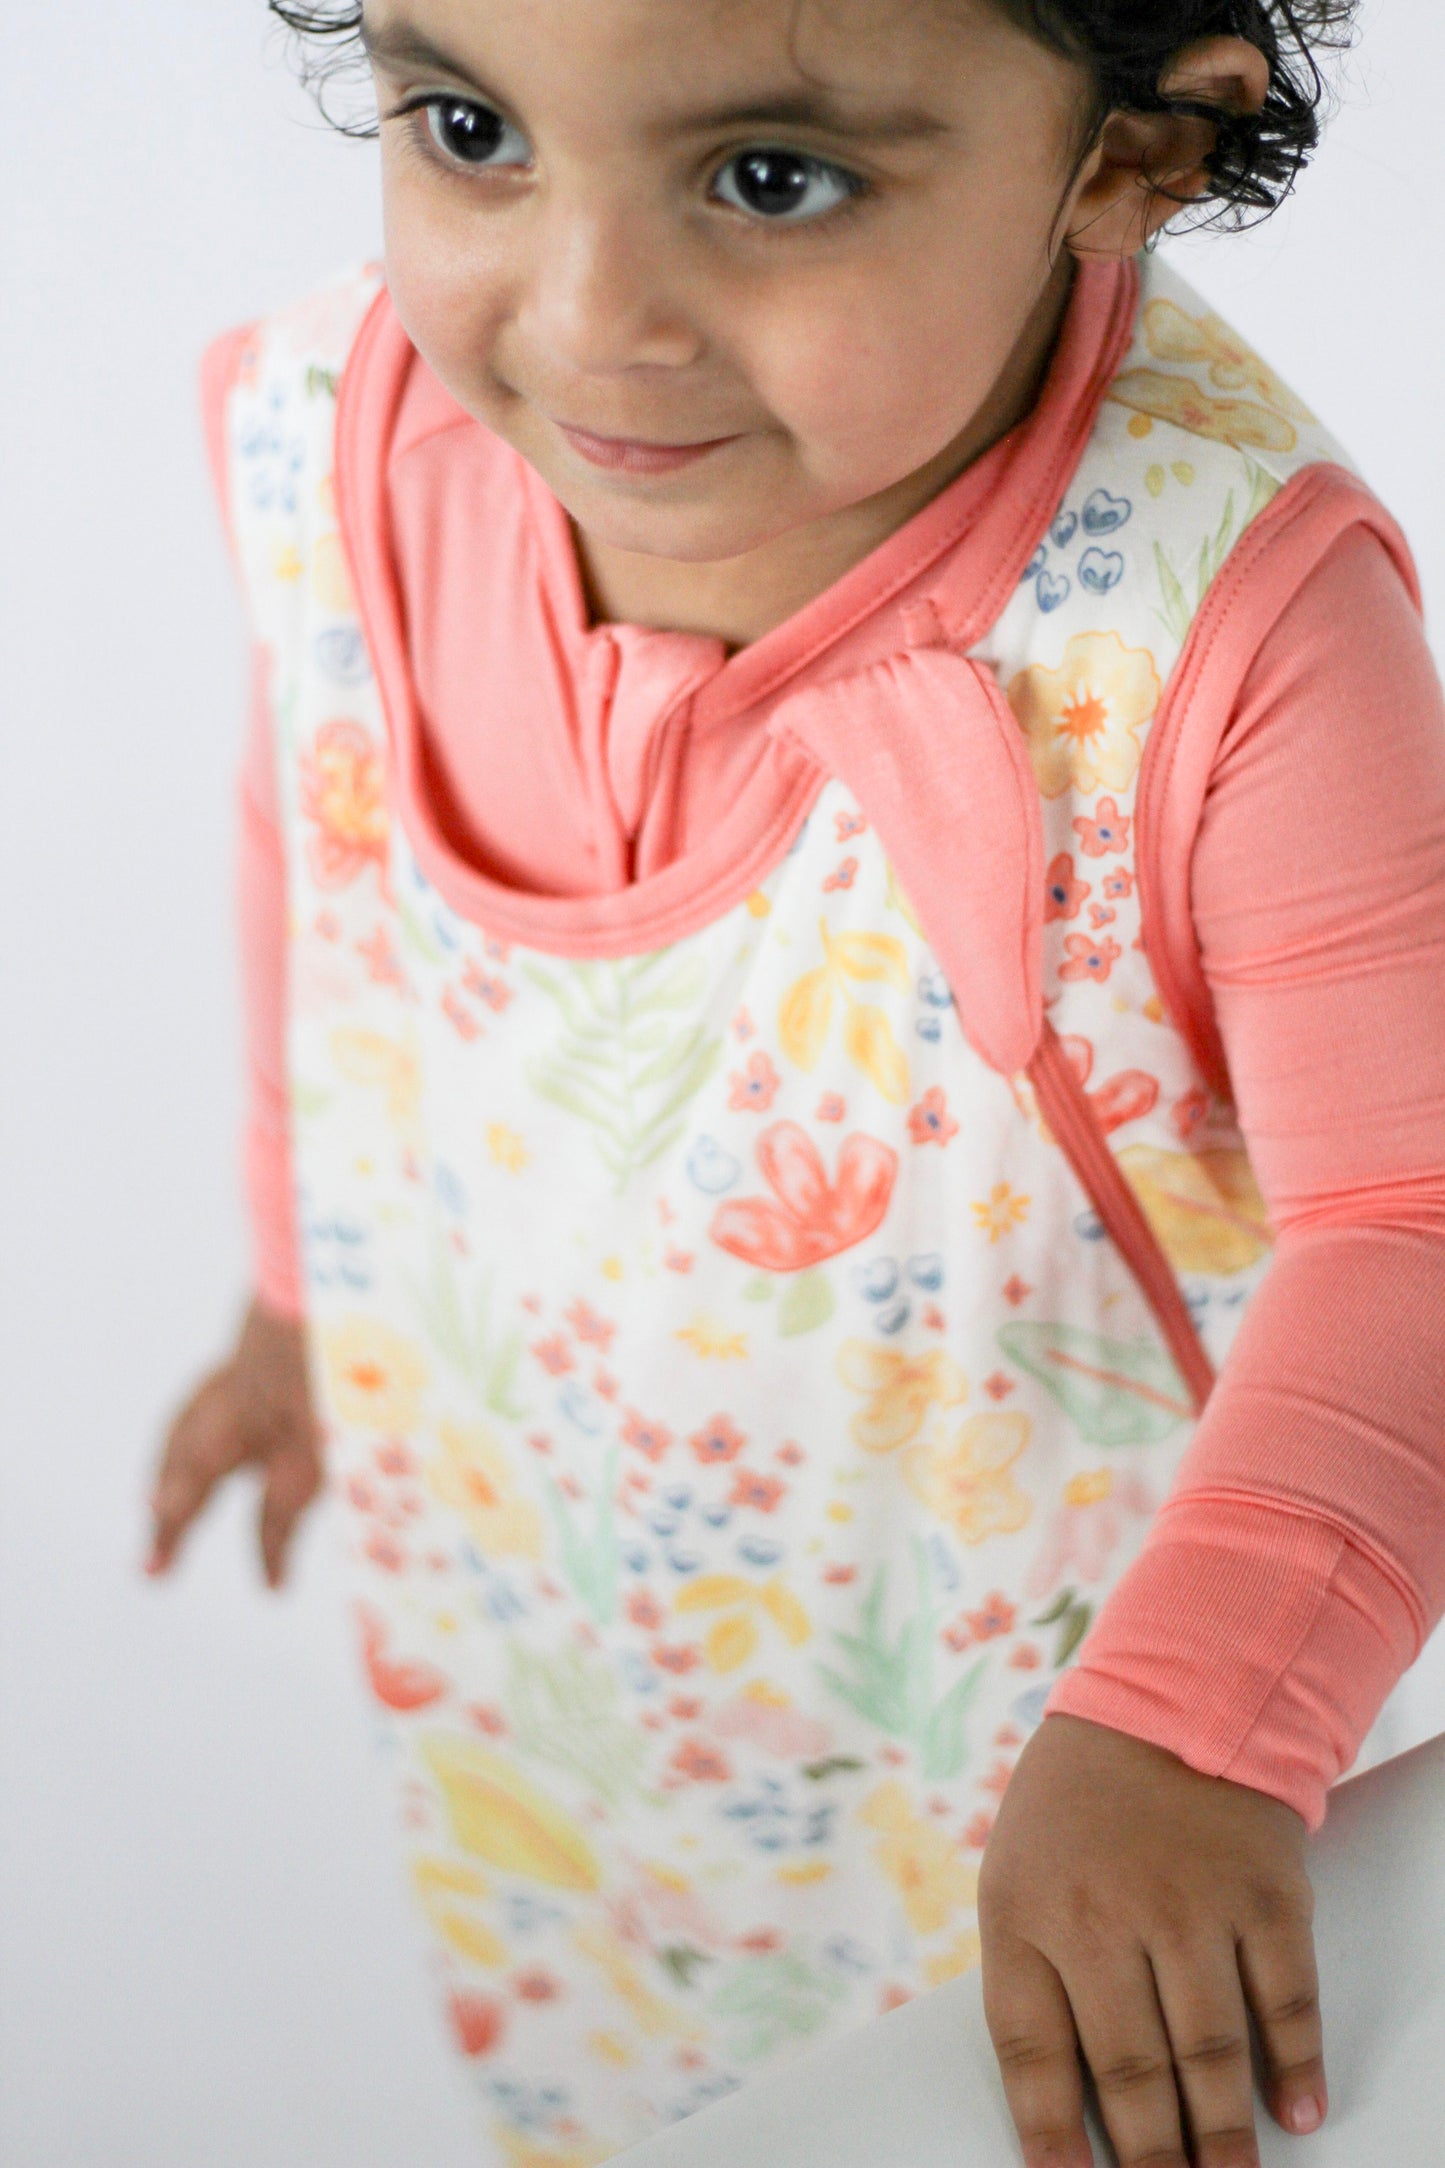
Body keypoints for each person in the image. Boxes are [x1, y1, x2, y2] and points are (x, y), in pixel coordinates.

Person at [147, 2, 1445, 2163]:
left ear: (1137, 156)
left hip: (1064, 1770)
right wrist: (305, 1287)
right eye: (471, 128)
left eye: (770, 178)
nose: (584, 319)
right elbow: (325, 816)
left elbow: (1410, 1218)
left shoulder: (1231, 631)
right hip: (571, 1686)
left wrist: (1198, 1726)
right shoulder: (348, 430)